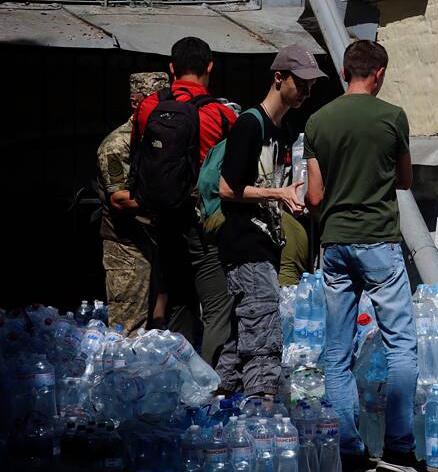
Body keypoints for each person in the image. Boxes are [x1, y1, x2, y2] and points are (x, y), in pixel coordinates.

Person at [304, 40, 418, 472]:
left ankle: (350, 451)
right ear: (380, 74)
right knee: (401, 347)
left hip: (334, 244)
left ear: (345, 71)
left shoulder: (318, 120)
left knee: (336, 352)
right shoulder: (392, 117)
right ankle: (399, 448)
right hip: (379, 242)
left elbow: (315, 194)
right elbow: (405, 180)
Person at [214, 45, 322, 398]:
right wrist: (278, 195)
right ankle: (260, 410)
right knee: (263, 335)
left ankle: (221, 399)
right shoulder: (249, 124)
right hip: (245, 245)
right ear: (279, 78)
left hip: (265, 244)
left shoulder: (283, 130)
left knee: (240, 335)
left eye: (311, 85)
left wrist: (288, 200)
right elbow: (228, 188)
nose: (306, 91)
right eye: (301, 83)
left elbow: (269, 185)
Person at [129, 36, 237, 366]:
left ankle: (178, 382)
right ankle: (211, 384)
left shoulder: (148, 108)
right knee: (217, 305)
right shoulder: (221, 115)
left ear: (171, 68)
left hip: (163, 221)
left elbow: (138, 156)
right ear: (210, 67)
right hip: (203, 224)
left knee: (178, 302)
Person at [97, 71, 169, 334]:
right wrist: (169, 196)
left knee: (158, 330)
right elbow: (119, 199)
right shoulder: (117, 145)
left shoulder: (161, 140)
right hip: (126, 247)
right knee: (127, 330)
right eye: (154, 102)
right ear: (136, 102)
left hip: (157, 241)